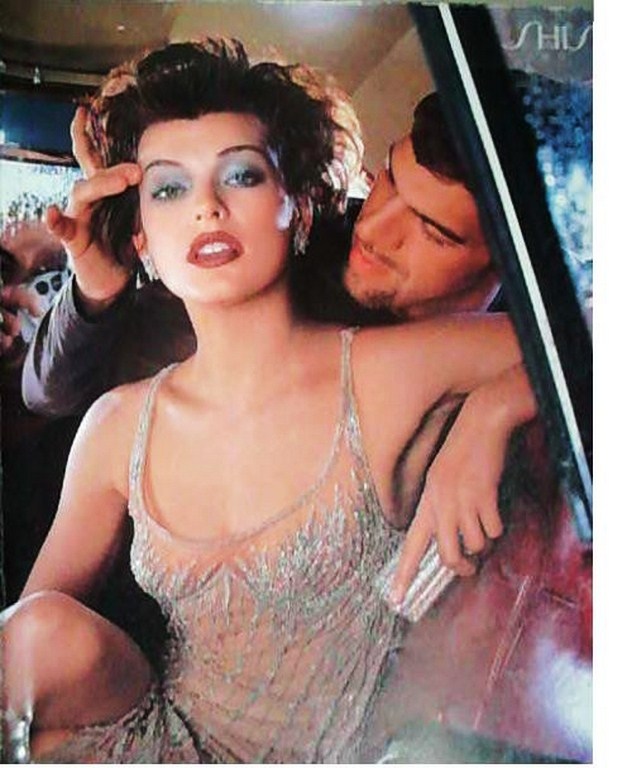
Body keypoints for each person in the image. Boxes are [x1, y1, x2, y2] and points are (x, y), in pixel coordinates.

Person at [1, 37, 536, 762]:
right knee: (38, 634)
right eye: (169, 189)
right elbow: (23, 652)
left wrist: (497, 409)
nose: (206, 207)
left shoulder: (391, 368)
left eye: (242, 175)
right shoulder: (118, 424)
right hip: (160, 740)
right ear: (142, 240)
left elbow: (593, 334)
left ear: (301, 206)